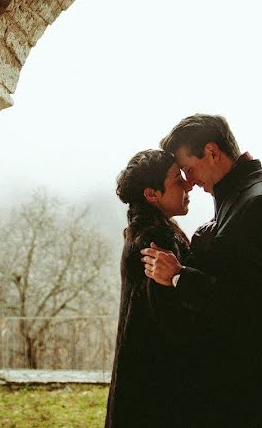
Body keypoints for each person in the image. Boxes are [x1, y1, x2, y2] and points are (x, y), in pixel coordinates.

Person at [141, 114, 262, 427]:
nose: (188, 181)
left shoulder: (260, 204)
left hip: (254, 391)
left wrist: (179, 276)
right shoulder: (238, 199)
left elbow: (256, 308)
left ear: (213, 152)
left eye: (189, 168)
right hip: (236, 385)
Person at [104, 149, 195, 428]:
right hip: (157, 381)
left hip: (142, 374)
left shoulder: (145, 230)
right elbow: (170, 317)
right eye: (177, 180)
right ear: (151, 194)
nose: (188, 184)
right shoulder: (156, 239)